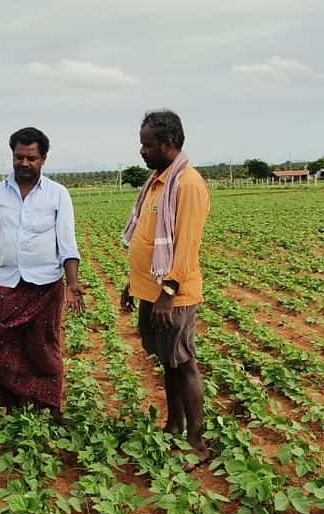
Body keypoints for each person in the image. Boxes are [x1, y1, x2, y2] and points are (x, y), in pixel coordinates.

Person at [0, 127, 86, 423]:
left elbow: (68, 245)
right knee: (6, 347)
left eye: (31, 158)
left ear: (43, 159)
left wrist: (72, 282)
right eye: (19, 157)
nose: (24, 163)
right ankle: (15, 407)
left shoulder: (58, 195)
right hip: (8, 285)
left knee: (44, 347)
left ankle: (52, 408)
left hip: (46, 286)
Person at [119, 110, 212, 466]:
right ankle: (173, 426)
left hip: (173, 295)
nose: (141, 150)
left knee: (183, 362)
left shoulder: (186, 184)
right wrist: (134, 283)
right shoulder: (159, 181)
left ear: (168, 145)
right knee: (168, 362)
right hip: (151, 291)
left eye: (147, 144)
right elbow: (148, 239)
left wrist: (168, 293)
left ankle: (196, 442)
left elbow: (186, 245)